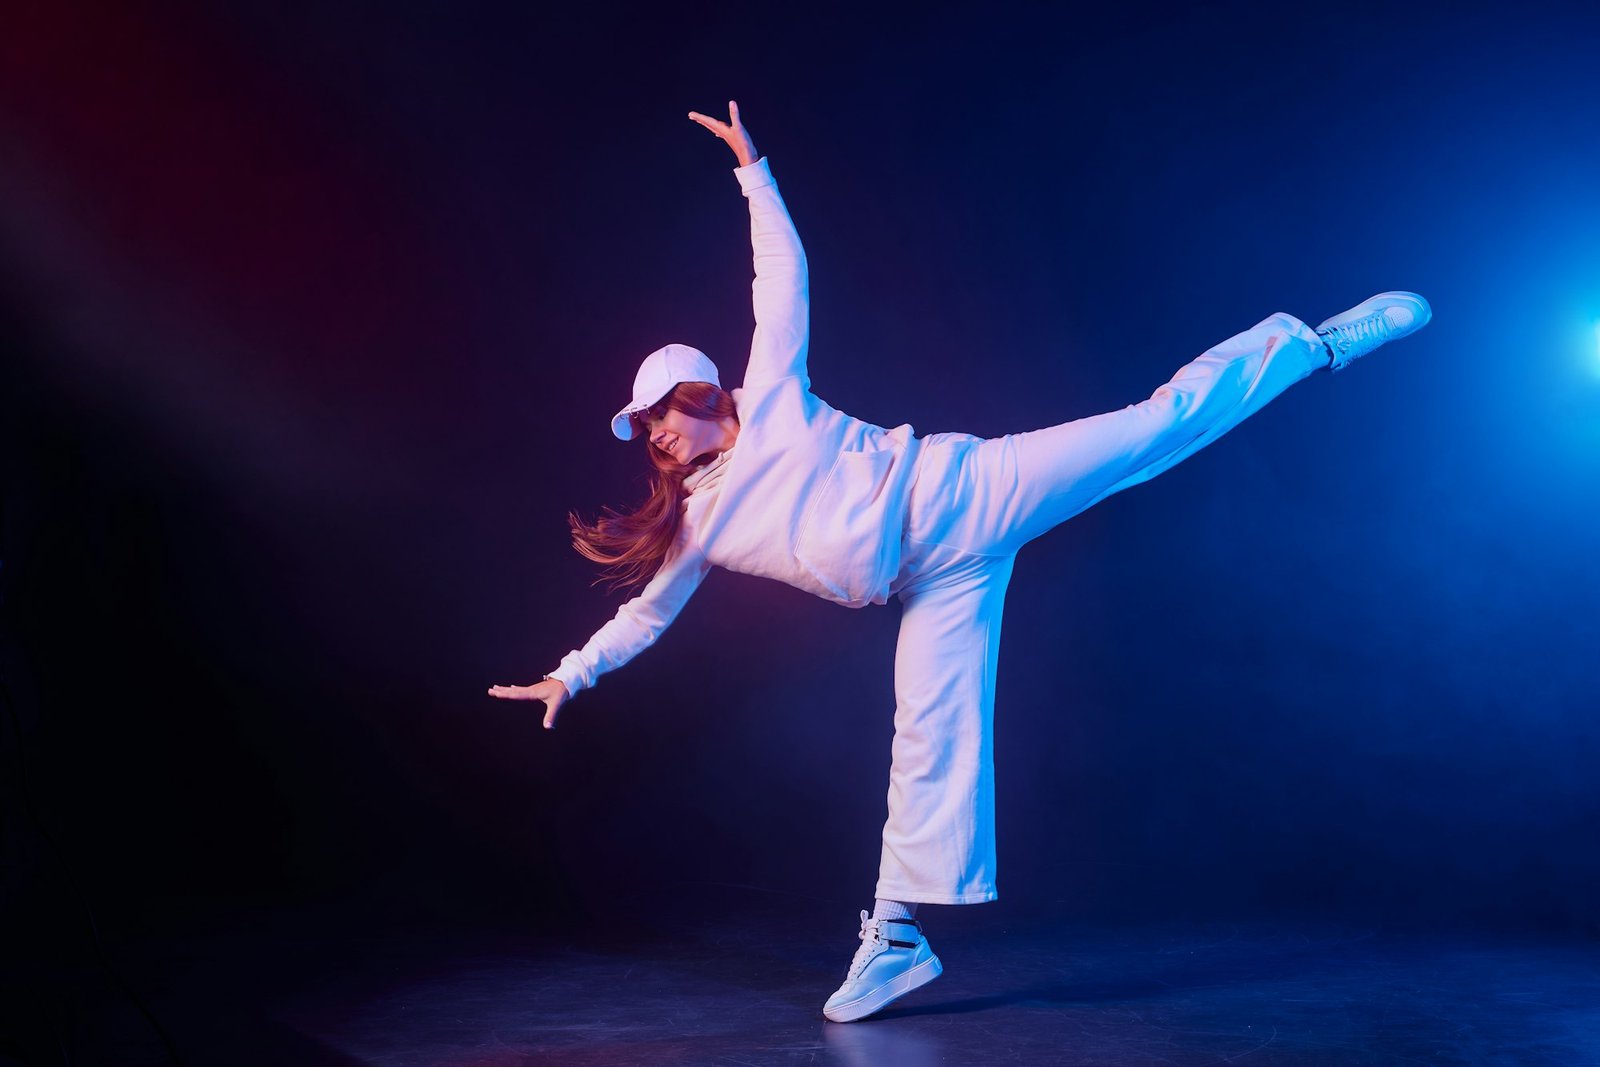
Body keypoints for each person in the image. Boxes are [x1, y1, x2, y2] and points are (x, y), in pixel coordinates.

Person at [488, 101, 1431, 1023]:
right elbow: (646, 612)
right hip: (932, 581)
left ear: (702, 393)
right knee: (926, 737)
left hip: (966, 486)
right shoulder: (695, 525)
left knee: (1153, 427)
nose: (651, 433)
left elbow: (780, 279)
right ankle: (898, 938)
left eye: (658, 412)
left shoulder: (770, 393)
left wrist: (752, 172)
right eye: (642, 426)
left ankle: (1312, 346)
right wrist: (570, 674)